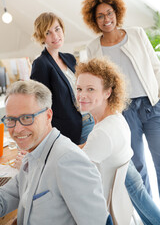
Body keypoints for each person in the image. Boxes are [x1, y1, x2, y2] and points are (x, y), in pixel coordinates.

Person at [81, 0, 160, 197]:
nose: (106, 19)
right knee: (137, 167)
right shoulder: (92, 48)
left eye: (109, 13)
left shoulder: (136, 33)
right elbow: (95, 84)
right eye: (100, 16)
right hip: (123, 112)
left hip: (151, 105)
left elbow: (155, 66)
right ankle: (149, 217)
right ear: (94, 20)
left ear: (116, 12)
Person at [0, 79, 112, 225]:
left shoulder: (68, 160)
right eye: (11, 120)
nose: (17, 129)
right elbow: (7, 196)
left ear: (48, 116)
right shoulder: (32, 154)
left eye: (27, 118)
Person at [75, 57, 160, 225]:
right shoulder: (115, 118)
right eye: (79, 88)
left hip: (98, 210)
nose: (82, 95)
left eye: (90, 89)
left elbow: (73, 173)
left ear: (108, 92)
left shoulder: (102, 134)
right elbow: (85, 150)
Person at [30, 12, 94, 145]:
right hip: (70, 129)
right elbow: (39, 104)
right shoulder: (41, 64)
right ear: (42, 37)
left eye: (57, 29)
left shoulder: (69, 58)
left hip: (90, 118)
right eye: (48, 33)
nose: (55, 36)